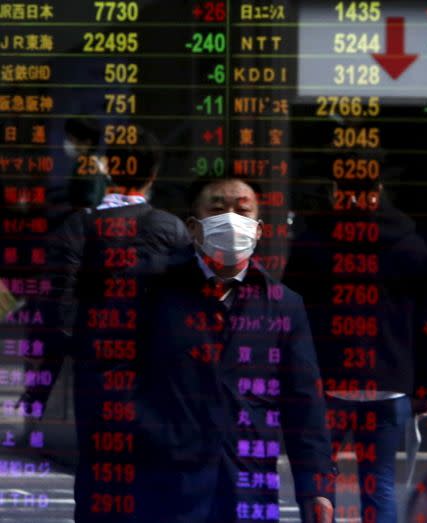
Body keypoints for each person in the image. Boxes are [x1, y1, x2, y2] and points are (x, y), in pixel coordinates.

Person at [135, 177, 335, 523]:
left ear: (258, 230)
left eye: (242, 211)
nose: (231, 220)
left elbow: (305, 403)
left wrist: (316, 488)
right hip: (168, 487)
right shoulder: (152, 292)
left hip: (248, 486)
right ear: (194, 227)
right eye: (217, 209)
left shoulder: (283, 306)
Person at [21, 128, 192, 523]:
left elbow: (56, 309)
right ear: (154, 174)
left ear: (107, 168)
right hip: (159, 376)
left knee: (99, 477)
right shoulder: (171, 229)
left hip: (96, 376)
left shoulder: (76, 227)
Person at [283, 169, 427, 523]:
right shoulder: (410, 244)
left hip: (326, 383)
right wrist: (424, 387)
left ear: (336, 190)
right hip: (389, 385)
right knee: (380, 483)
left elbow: (290, 313)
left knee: (320, 479)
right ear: (379, 190)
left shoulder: (313, 242)